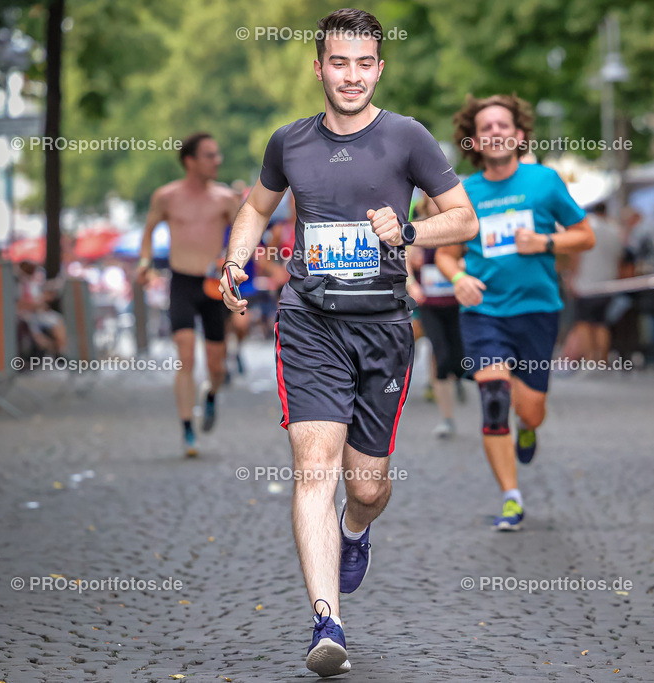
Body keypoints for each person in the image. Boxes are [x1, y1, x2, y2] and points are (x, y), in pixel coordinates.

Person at [219, 9, 477, 677]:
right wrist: (236, 261)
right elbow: (256, 205)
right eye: (340, 62)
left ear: (379, 68)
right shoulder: (290, 142)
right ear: (320, 67)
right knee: (315, 467)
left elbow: (463, 219)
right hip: (309, 321)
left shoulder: (407, 138)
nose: (352, 75)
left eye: (365, 63)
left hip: (384, 327)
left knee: (365, 486)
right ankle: (326, 618)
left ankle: (357, 530)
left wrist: (410, 233)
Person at [436, 94, 595, 531]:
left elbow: (585, 236)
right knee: (493, 400)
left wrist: (544, 243)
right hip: (484, 312)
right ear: (473, 141)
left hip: (537, 311)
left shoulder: (545, 182)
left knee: (531, 409)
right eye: (485, 128)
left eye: (502, 125)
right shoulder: (463, 193)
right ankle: (511, 497)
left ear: (519, 135)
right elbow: (447, 255)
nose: (495, 133)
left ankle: (528, 428)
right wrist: (457, 279)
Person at [137, 132, 240, 457]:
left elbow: (244, 235)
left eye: (217, 154)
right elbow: (149, 231)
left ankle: (210, 393)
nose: (217, 160)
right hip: (181, 281)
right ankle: (187, 430)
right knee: (186, 355)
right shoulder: (166, 196)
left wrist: (230, 257)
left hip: (213, 284)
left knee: (216, 363)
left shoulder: (225, 198)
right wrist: (144, 262)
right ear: (189, 161)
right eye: (210, 155)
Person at [408, 194, 467, 438]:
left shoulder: (459, 223)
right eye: (432, 197)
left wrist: (463, 266)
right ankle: (447, 418)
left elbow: (471, 253)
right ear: (425, 201)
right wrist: (413, 284)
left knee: (459, 357)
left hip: (456, 301)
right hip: (429, 302)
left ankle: (458, 375)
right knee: (440, 356)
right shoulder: (418, 226)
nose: (437, 201)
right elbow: (405, 260)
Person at [562, 201, 623, 364]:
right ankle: (601, 359)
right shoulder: (615, 230)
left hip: (586, 284)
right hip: (607, 283)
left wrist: (571, 278)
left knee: (583, 323)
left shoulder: (587, 228)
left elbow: (576, 255)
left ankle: (589, 360)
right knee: (601, 323)